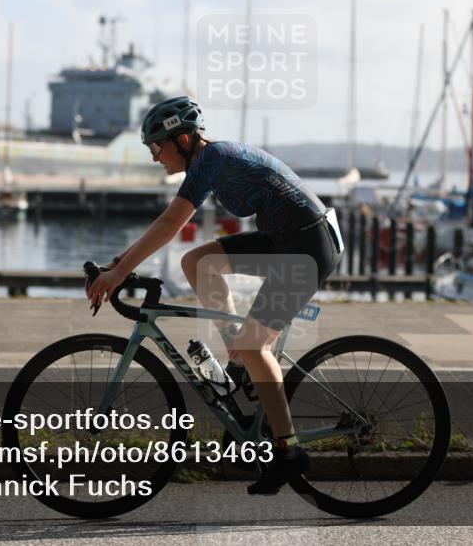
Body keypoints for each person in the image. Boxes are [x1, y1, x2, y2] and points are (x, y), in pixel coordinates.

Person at [86, 95, 343, 495]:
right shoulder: (209, 158)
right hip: (286, 239)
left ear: (183, 139)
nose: (155, 157)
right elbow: (168, 225)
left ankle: (289, 451)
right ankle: (238, 367)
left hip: (308, 249)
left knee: (257, 346)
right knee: (198, 262)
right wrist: (116, 263)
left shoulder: (212, 158)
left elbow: (171, 222)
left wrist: (120, 272)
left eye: (156, 146)